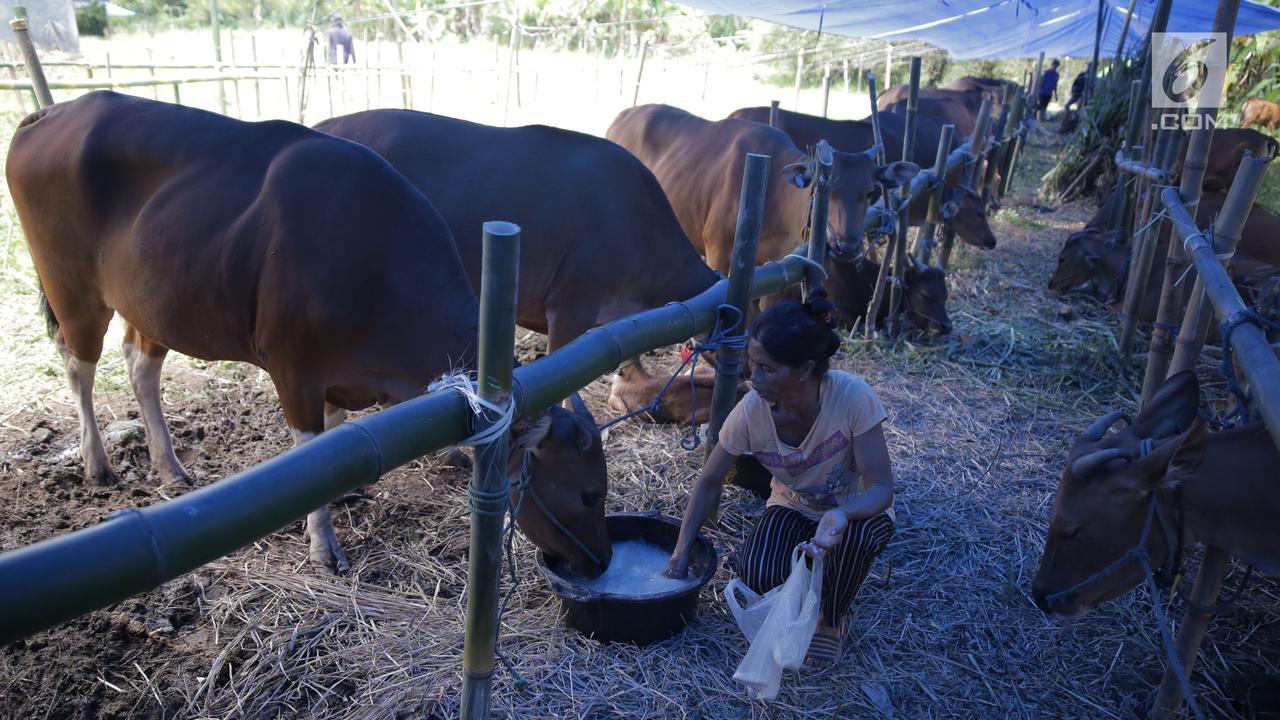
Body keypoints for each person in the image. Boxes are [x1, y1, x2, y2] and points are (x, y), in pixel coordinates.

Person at [664, 294, 895, 672]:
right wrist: (680, 555)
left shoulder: (852, 398)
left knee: (856, 540)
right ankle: (811, 582)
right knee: (757, 571)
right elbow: (709, 482)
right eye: (753, 365)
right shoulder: (752, 412)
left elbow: (881, 489)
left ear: (804, 370)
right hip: (793, 504)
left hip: (855, 507)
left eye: (768, 369)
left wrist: (842, 515)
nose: (753, 378)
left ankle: (830, 619)